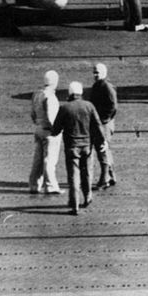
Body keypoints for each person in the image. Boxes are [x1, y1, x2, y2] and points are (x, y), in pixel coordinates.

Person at [51, 80, 104, 215]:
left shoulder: (65, 108)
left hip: (71, 146)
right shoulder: (89, 106)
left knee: (74, 175)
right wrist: (102, 141)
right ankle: (87, 197)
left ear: (70, 93)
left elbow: (56, 129)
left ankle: (74, 204)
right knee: (86, 172)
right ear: (81, 93)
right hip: (87, 145)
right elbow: (97, 125)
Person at [29, 69, 61, 195]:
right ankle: (51, 186)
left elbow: (32, 114)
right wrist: (56, 130)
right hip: (49, 132)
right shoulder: (50, 97)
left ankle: (34, 185)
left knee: (37, 160)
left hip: (38, 128)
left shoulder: (37, 95)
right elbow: (51, 116)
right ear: (55, 82)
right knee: (50, 160)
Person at [89, 62, 118, 189]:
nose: (95, 75)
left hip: (104, 124)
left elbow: (113, 106)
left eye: (97, 72)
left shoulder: (106, 87)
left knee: (102, 150)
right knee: (105, 149)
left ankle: (104, 179)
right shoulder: (99, 85)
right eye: (94, 72)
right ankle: (111, 176)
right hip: (101, 122)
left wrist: (103, 120)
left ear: (104, 73)